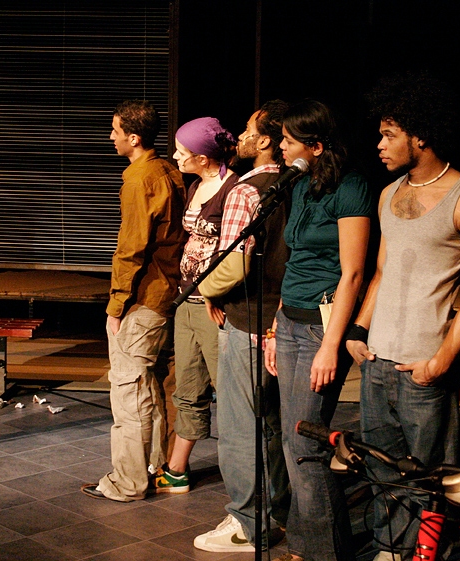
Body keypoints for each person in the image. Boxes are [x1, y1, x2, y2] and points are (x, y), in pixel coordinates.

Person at [347, 73, 460, 561]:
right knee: (383, 473)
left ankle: (426, 554)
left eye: (389, 134)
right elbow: (381, 272)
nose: (379, 144)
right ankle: (390, 550)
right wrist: (359, 330)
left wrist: (440, 361)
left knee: (430, 477)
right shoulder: (388, 194)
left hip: (423, 368)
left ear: (420, 136)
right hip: (377, 362)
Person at [264, 99, 371, 561]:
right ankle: (307, 545)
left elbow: (353, 273)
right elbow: (294, 261)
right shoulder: (302, 186)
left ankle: (327, 551)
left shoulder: (352, 187)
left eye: (288, 141)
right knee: (293, 440)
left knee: (305, 441)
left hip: (319, 330)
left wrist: (331, 346)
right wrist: (275, 326)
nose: (281, 148)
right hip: (290, 321)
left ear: (316, 146)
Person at [194, 100, 293, 553]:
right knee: (272, 423)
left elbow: (234, 263)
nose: (243, 135)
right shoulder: (297, 183)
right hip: (283, 322)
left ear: (266, 140)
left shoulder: (247, 190)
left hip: (248, 320)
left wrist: (207, 290)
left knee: (239, 427)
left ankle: (247, 524)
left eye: (251, 129)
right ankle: (277, 513)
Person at [80, 100, 186, 502]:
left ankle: (128, 482)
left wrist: (116, 305)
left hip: (144, 298)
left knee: (129, 392)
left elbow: (131, 248)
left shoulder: (140, 178)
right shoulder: (168, 171)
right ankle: (155, 467)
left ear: (134, 137)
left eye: (116, 130)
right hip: (166, 293)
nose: (111, 137)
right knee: (150, 387)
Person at [151, 117, 238, 494]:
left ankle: (248, 479)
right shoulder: (195, 186)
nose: (175, 157)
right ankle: (176, 470)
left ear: (203, 158)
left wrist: (216, 294)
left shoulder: (233, 189)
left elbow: (234, 249)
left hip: (214, 306)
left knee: (230, 391)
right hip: (187, 300)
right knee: (187, 387)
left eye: (182, 152)